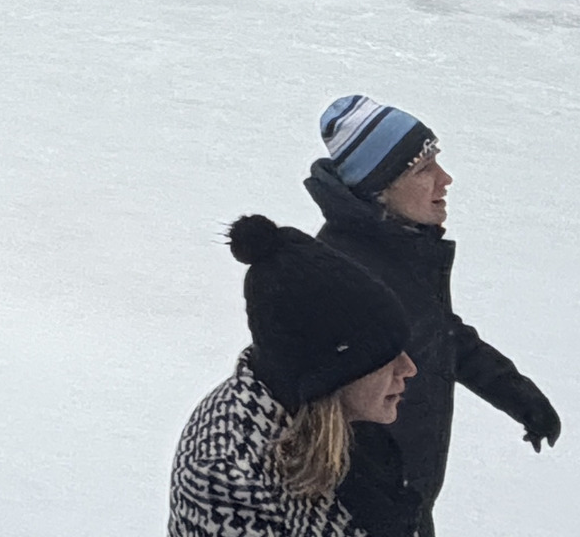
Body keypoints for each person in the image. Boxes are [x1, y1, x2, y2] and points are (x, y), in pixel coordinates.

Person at [305, 98, 558, 535]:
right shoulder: (342, 274)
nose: (445, 179)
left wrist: (517, 394)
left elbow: (440, 333)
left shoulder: (400, 249)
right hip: (362, 513)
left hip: (407, 496)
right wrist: (373, 499)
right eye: (423, 169)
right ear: (380, 188)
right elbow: (310, 404)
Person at [171, 214, 421, 537]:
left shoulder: (341, 418)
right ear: (330, 372)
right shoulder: (226, 479)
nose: (409, 369)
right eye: (385, 358)